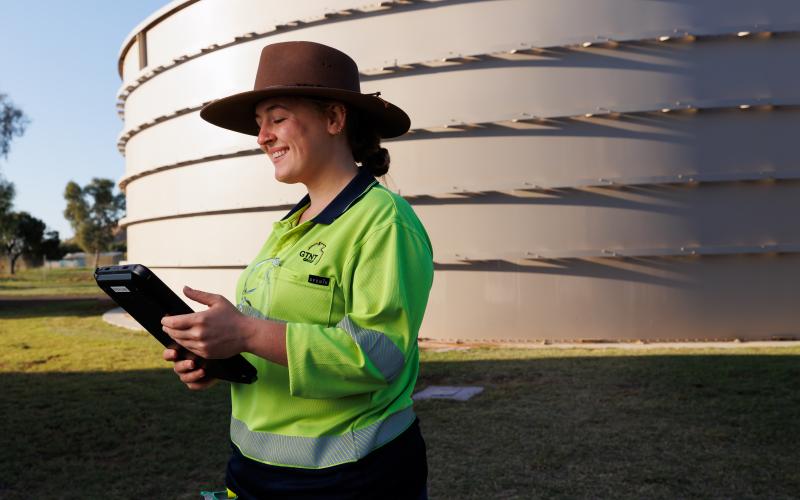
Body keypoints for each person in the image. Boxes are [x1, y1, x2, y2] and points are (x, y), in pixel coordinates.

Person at [160, 41, 434, 499]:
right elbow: (278, 333)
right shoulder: (289, 228)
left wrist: (246, 333)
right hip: (252, 470)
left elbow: (380, 354)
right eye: (259, 124)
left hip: (351, 477)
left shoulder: (384, 222)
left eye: (277, 117)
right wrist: (220, 355)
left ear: (333, 119)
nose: (262, 136)